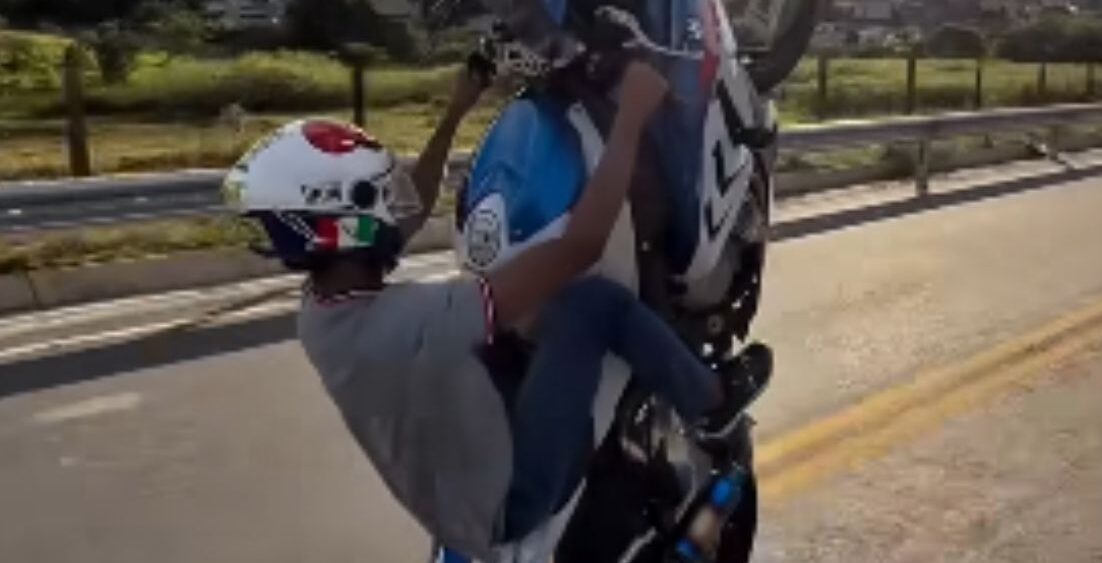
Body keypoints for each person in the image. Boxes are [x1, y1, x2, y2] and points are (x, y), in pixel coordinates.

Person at [223, 58, 771, 561]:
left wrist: (458, 109)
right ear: (347, 221)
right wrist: (631, 117)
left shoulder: (325, 303)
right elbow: (580, 247)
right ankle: (712, 404)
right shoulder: (412, 325)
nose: (393, 197)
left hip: (456, 477)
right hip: (506, 500)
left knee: (527, 327)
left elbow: (406, 209)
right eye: (378, 191)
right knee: (591, 304)